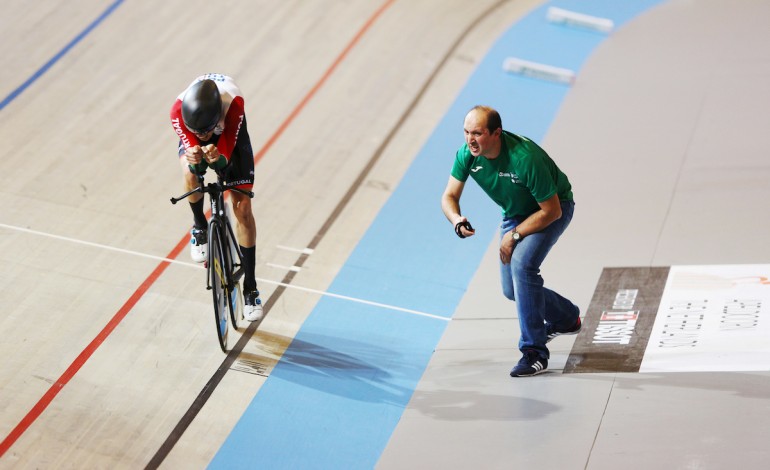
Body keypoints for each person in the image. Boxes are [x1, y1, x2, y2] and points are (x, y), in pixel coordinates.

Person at [441, 105, 581, 377]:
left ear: (496, 133)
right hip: (515, 213)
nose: (470, 139)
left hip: (553, 208)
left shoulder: (524, 158)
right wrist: (456, 219)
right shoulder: (467, 154)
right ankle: (566, 317)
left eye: (478, 133)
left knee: (522, 266)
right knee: (512, 290)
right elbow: (449, 196)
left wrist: (514, 235)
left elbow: (552, 211)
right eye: (467, 132)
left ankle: (534, 353)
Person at [170, 73, 263, 322]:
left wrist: (218, 157)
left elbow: (226, 156)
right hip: (204, 130)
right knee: (190, 172)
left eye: (205, 132)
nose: (201, 136)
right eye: (196, 132)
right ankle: (199, 226)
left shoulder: (233, 104)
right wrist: (197, 161)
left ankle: (251, 287)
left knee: (242, 207)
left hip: (228, 136)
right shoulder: (177, 110)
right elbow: (195, 160)